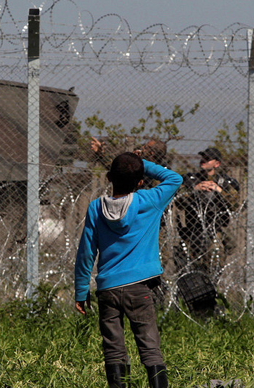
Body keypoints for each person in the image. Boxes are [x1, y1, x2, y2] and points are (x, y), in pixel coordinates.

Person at [75, 152, 182, 388]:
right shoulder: (149, 201)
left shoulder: (95, 208)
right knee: (150, 348)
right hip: (139, 288)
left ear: (109, 177)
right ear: (141, 181)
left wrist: (81, 290)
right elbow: (175, 179)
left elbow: (86, 253)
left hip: (108, 289)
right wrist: (144, 164)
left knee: (113, 350)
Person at [174, 147, 240, 275]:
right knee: (188, 268)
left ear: (217, 164)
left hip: (216, 229)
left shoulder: (225, 182)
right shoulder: (191, 179)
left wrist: (219, 190)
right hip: (192, 230)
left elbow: (234, 204)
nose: (203, 161)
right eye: (203, 157)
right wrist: (195, 190)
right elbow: (179, 202)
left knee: (214, 264)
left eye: (208, 159)